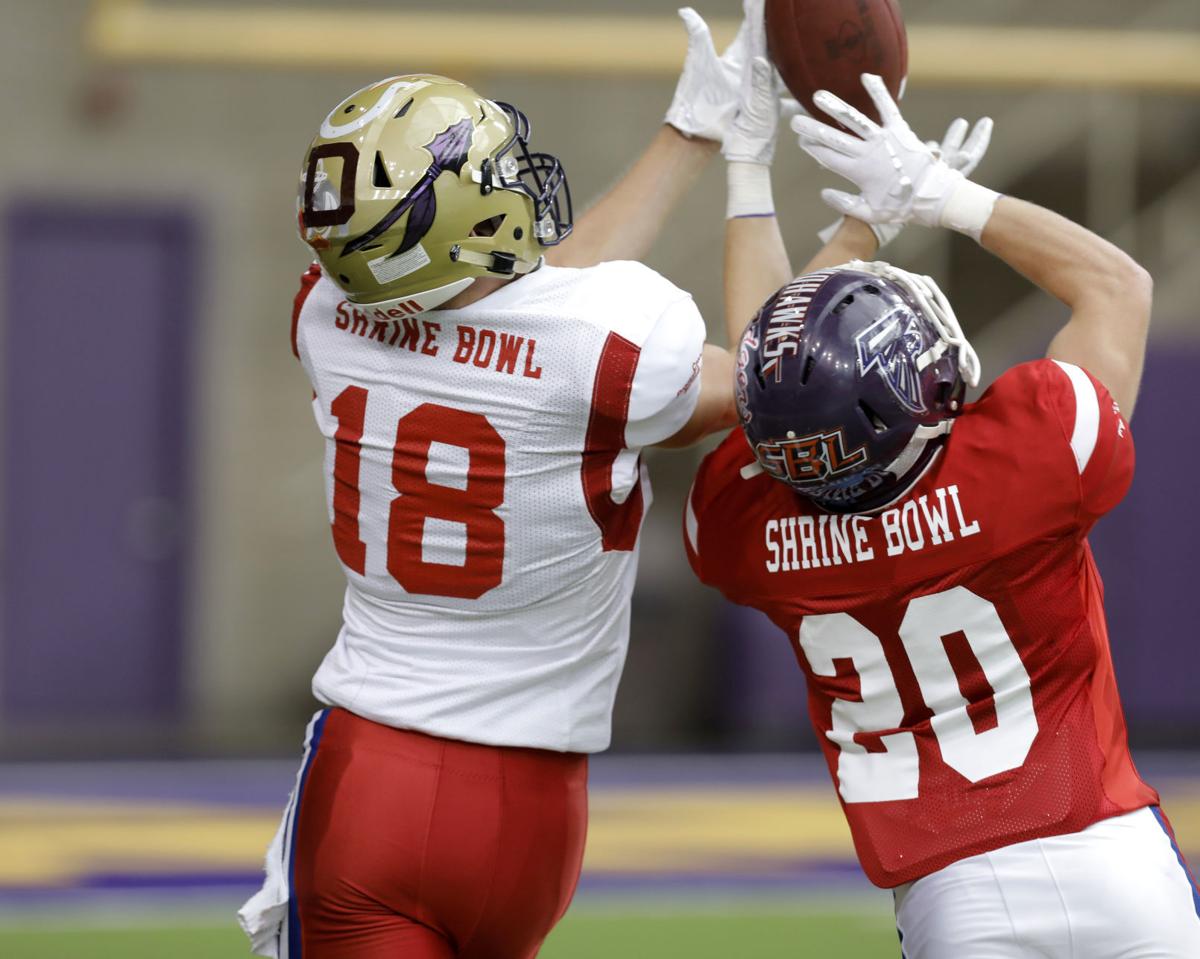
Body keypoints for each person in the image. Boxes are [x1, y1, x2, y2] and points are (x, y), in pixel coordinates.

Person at [236, 5, 789, 955]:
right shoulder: (603, 348)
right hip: (536, 812)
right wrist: (766, 180)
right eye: (486, 174)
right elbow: (780, 376)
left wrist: (687, 130)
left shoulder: (328, 320)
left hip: (374, 785)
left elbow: (523, 310)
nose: (512, 181)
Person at [686, 70, 1200, 957]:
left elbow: (765, 380)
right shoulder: (1030, 458)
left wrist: (751, 178)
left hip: (957, 903)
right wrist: (944, 196)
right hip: (1117, 864)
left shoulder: (749, 532)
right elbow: (1117, 286)